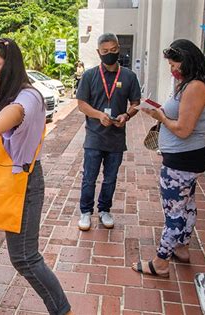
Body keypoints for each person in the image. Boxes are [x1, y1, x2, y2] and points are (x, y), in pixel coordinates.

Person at [0, 38, 72, 315]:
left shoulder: (28, 97)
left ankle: (63, 311)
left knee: (24, 257)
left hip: (21, 184)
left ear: (11, 65)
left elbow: (10, 118)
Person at [132, 39, 205, 277]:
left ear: (188, 61)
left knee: (174, 210)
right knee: (187, 204)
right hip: (188, 157)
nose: (172, 70)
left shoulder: (196, 87)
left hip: (182, 160)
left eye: (175, 65)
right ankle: (181, 248)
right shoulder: (196, 83)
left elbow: (183, 129)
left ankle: (161, 262)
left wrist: (160, 116)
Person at [76, 33, 141, 231]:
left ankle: (105, 210)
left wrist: (126, 116)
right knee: (89, 177)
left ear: (119, 49)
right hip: (94, 137)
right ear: (98, 52)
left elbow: (136, 103)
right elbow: (81, 104)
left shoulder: (129, 76)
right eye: (105, 51)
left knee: (110, 178)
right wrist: (98, 115)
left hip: (116, 139)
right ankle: (86, 212)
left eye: (113, 50)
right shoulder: (89, 76)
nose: (110, 54)